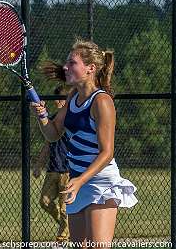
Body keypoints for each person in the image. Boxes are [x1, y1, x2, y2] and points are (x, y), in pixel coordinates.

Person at [31, 39, 138, 249]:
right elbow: (52, 134)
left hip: (101, 183)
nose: (65, 67)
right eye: (67, 62)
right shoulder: (72, 97)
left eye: (72, 63)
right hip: (78, 183)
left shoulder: (102, 102)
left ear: (90, 68)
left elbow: (106, 152)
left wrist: (80, 181)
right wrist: (42, 116)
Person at [33, 85, 70, 243]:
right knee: (45, 201)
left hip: (68, 171)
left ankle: (62, 240)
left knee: (65, 208)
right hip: (53, 169)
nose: (57, 102)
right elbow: (48, 144)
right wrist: (39, 165)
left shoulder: (71, 120)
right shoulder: (55, 119)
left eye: (61, 99)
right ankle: (66, 226)